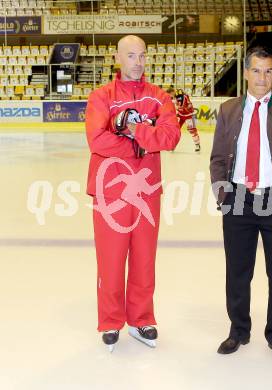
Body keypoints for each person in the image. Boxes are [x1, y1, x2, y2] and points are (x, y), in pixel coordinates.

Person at [210, 46, 272, 362]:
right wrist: (223, 196)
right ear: (245, 73)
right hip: (238, 199)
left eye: (268, 71)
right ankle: (238, 331)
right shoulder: (227, 111)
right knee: (237, 272)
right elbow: (216, 159)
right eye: (256, 70)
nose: (262, 77)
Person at [85, 35, 181, 351]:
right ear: (117, 57)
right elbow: (98, 141)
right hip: (110, 190)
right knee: (111, 261)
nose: (137, 62)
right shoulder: (101, 97)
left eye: (142, 56)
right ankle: (110, 321)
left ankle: (141, 318)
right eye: (131, 56)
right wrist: (141, 144)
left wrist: (134, 131)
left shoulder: (159, 98)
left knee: (143, 258)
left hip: (147, 190)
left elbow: (170, 137)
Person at [167, 87, 201, 152]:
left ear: (171, 92)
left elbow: (181, 106)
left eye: (170, 95)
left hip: (189, 115)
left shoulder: (179, 96)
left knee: (192, 130)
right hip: (181, 114)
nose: (170, 97)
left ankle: (197, 144)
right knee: (175, 130)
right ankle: (173, 145)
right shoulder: (177, 94)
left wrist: (173, 104)